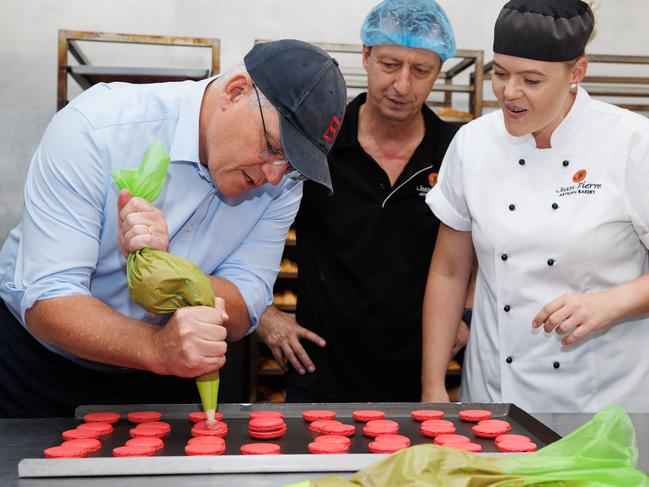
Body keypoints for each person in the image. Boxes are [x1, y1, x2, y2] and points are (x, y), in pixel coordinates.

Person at [0, 39, 346, 417]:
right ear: (235, 91)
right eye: (272, 147)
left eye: (293, 166)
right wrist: (156, 347)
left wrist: (169, 270)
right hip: (41, 365)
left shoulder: (282, 183)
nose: (275, 175)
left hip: (164, 371)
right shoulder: (98, 129)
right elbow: (50, 299)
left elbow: (247, 302)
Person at [422, 0, 649, 413]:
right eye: (501, 73)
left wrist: (610, 303)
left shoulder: (632, 144)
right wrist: (433, 385)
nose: (510, 93)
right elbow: (449, 270)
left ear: (576, 73)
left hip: (600, 404)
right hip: (492, 395)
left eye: (532, 79)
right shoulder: (473, 144)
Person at [256, 0, 470, 403]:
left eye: (420, 70)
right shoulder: (319, 144)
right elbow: (249, 225)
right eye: (390, 64)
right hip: (319, 374)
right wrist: (262, 315)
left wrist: (468, 316)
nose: (403, 85)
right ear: (366, 56)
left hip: (420, 377)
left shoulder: (455, 151)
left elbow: (484, 245)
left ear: (438, 72)